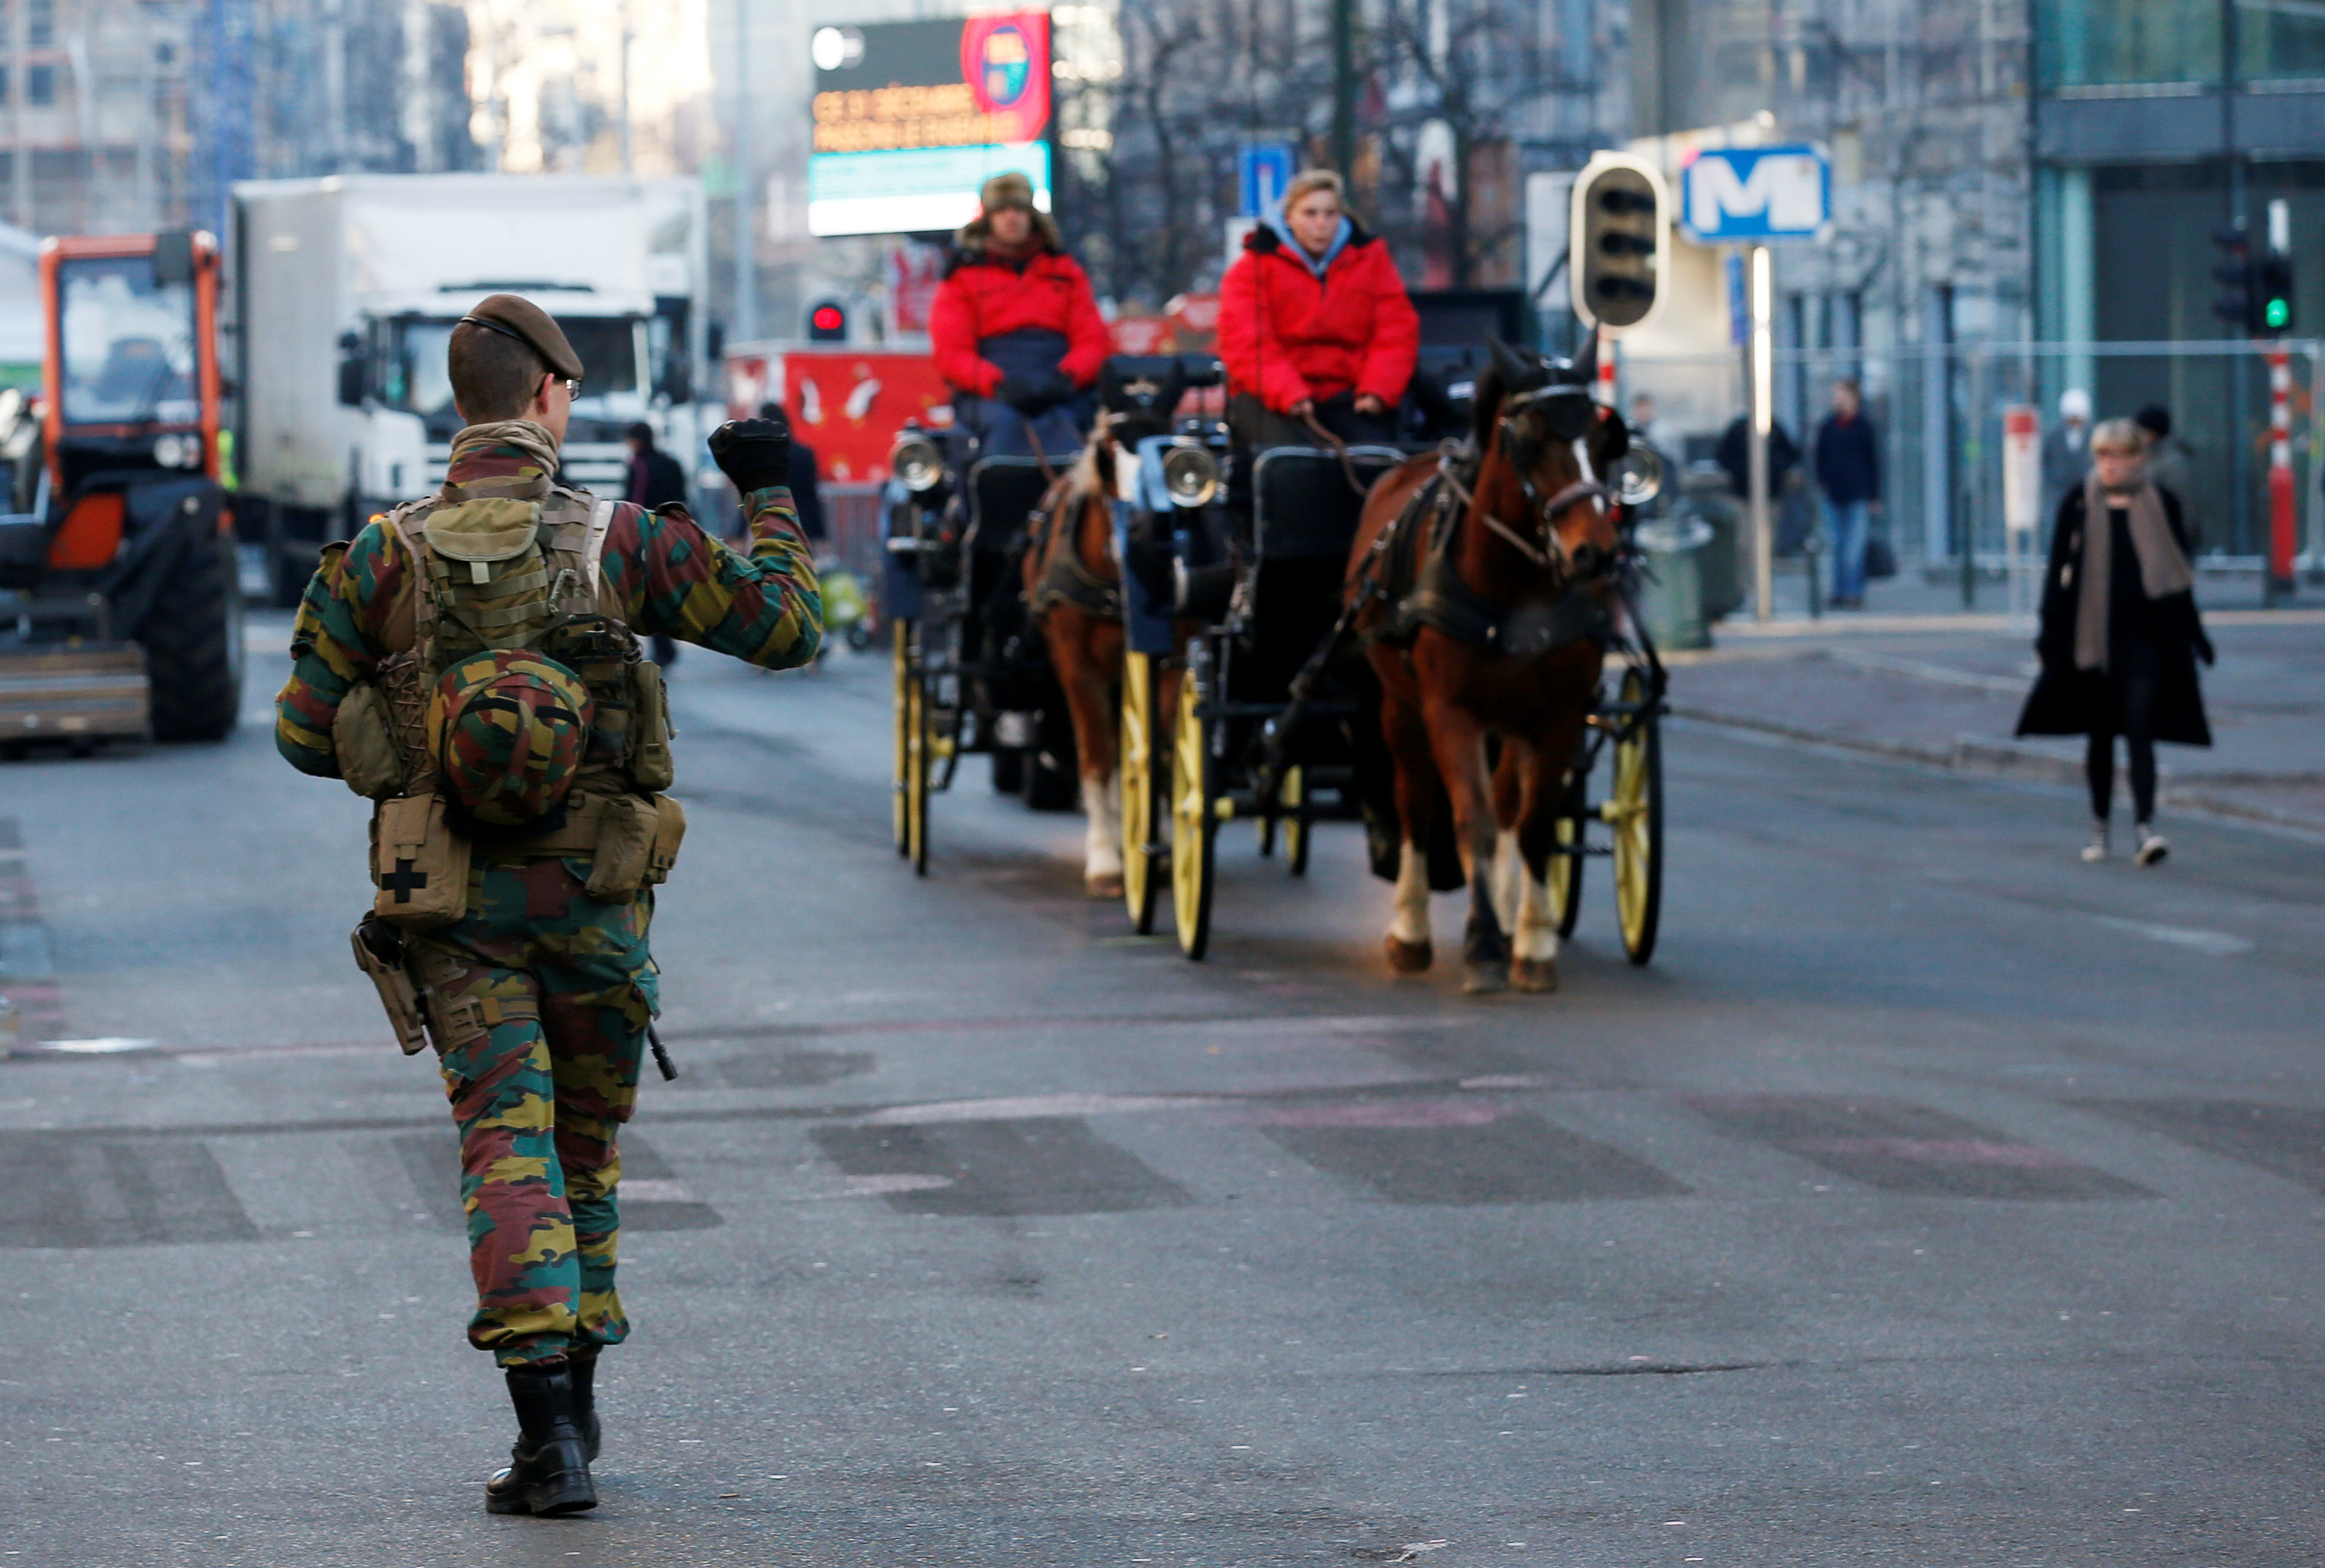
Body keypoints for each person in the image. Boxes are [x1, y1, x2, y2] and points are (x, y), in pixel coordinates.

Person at [275, 294, 821, 1514]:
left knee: (502, 1140)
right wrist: (770, 490)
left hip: (451, 903)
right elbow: (789, 629)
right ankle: (572, 1427)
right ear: (544, 398)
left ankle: (546, 1446)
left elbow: (304, 737)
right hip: (597, 895)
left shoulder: (384, 554)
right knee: (581, 1142)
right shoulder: (618, 538)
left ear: (460, 401)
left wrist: (414, 722)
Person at [2017, 416, 2213, 867]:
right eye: (2102, 456)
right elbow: (2057, 575)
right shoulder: (2079, 503)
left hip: (2146, 638)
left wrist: (2196, 635)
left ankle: (2146, 827)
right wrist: (2049, 634)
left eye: (2120, 455)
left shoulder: (2159, 503)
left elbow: (2177, 575)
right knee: (2101, 735)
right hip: (2091, 637)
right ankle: (2100, 827)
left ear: (2137, 459)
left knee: (2140, 731)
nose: (2110, 465)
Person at [1218, 168, 1420, 454]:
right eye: (1310, 214)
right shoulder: (1253, 267)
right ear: (1289, 217)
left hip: (1353, 397)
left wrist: (1377, 389)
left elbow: (1397, 331)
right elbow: (1247, 343)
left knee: (1376, 463)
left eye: (1330, 213)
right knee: (1290, 465)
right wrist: (1289, 393)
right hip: (1276, 400)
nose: (1321, 223)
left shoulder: (1372, 261)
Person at [928, 171, 1110, 462]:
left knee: (1072, 436)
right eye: (1001, 211)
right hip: (992, 395)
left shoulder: (1065, 272)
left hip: (1058, 389)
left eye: (1019, 209)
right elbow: (952, 352)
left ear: (1032, 216)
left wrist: (1065, 379)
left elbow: (1092, 341)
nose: (1011, 218)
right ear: (988, 219)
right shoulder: (962, 277)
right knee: (1002, 431)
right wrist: (998, 385)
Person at [626, 423, 691, 667]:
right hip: (674, 535)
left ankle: (665, 648)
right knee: (666, 591)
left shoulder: (640, 466)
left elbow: (634, 504)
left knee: (650, 594)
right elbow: (683, 498)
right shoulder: (672, 462)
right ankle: (668, 646)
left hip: (648, 539)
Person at [1812, 379, 1881, 609]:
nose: (1836, 399)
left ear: (1853, 397)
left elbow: (1873, 462)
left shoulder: (1864, 426)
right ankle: (1838, 592)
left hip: (1858, 495)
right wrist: (1822, 482)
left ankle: (1853, 593)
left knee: (1854, 548)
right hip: (1833, 494)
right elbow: (1819, 457)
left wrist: (1874, 495)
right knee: (1836, 545)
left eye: (1840, 394)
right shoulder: (1828, 426)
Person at [2133, 404, 2202, 552]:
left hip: (2169, 541)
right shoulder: (2151, 457)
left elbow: (2184, 504)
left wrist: (2183, 539)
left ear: (2152, 432)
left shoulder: (2172, 461)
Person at [2041, 388, 2092, 529]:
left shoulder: (2094, 435)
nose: (2074, 421)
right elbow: (2045, 462)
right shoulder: (2053, 435)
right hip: (2059, 493)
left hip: (2087, 492)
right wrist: (2052, 481)